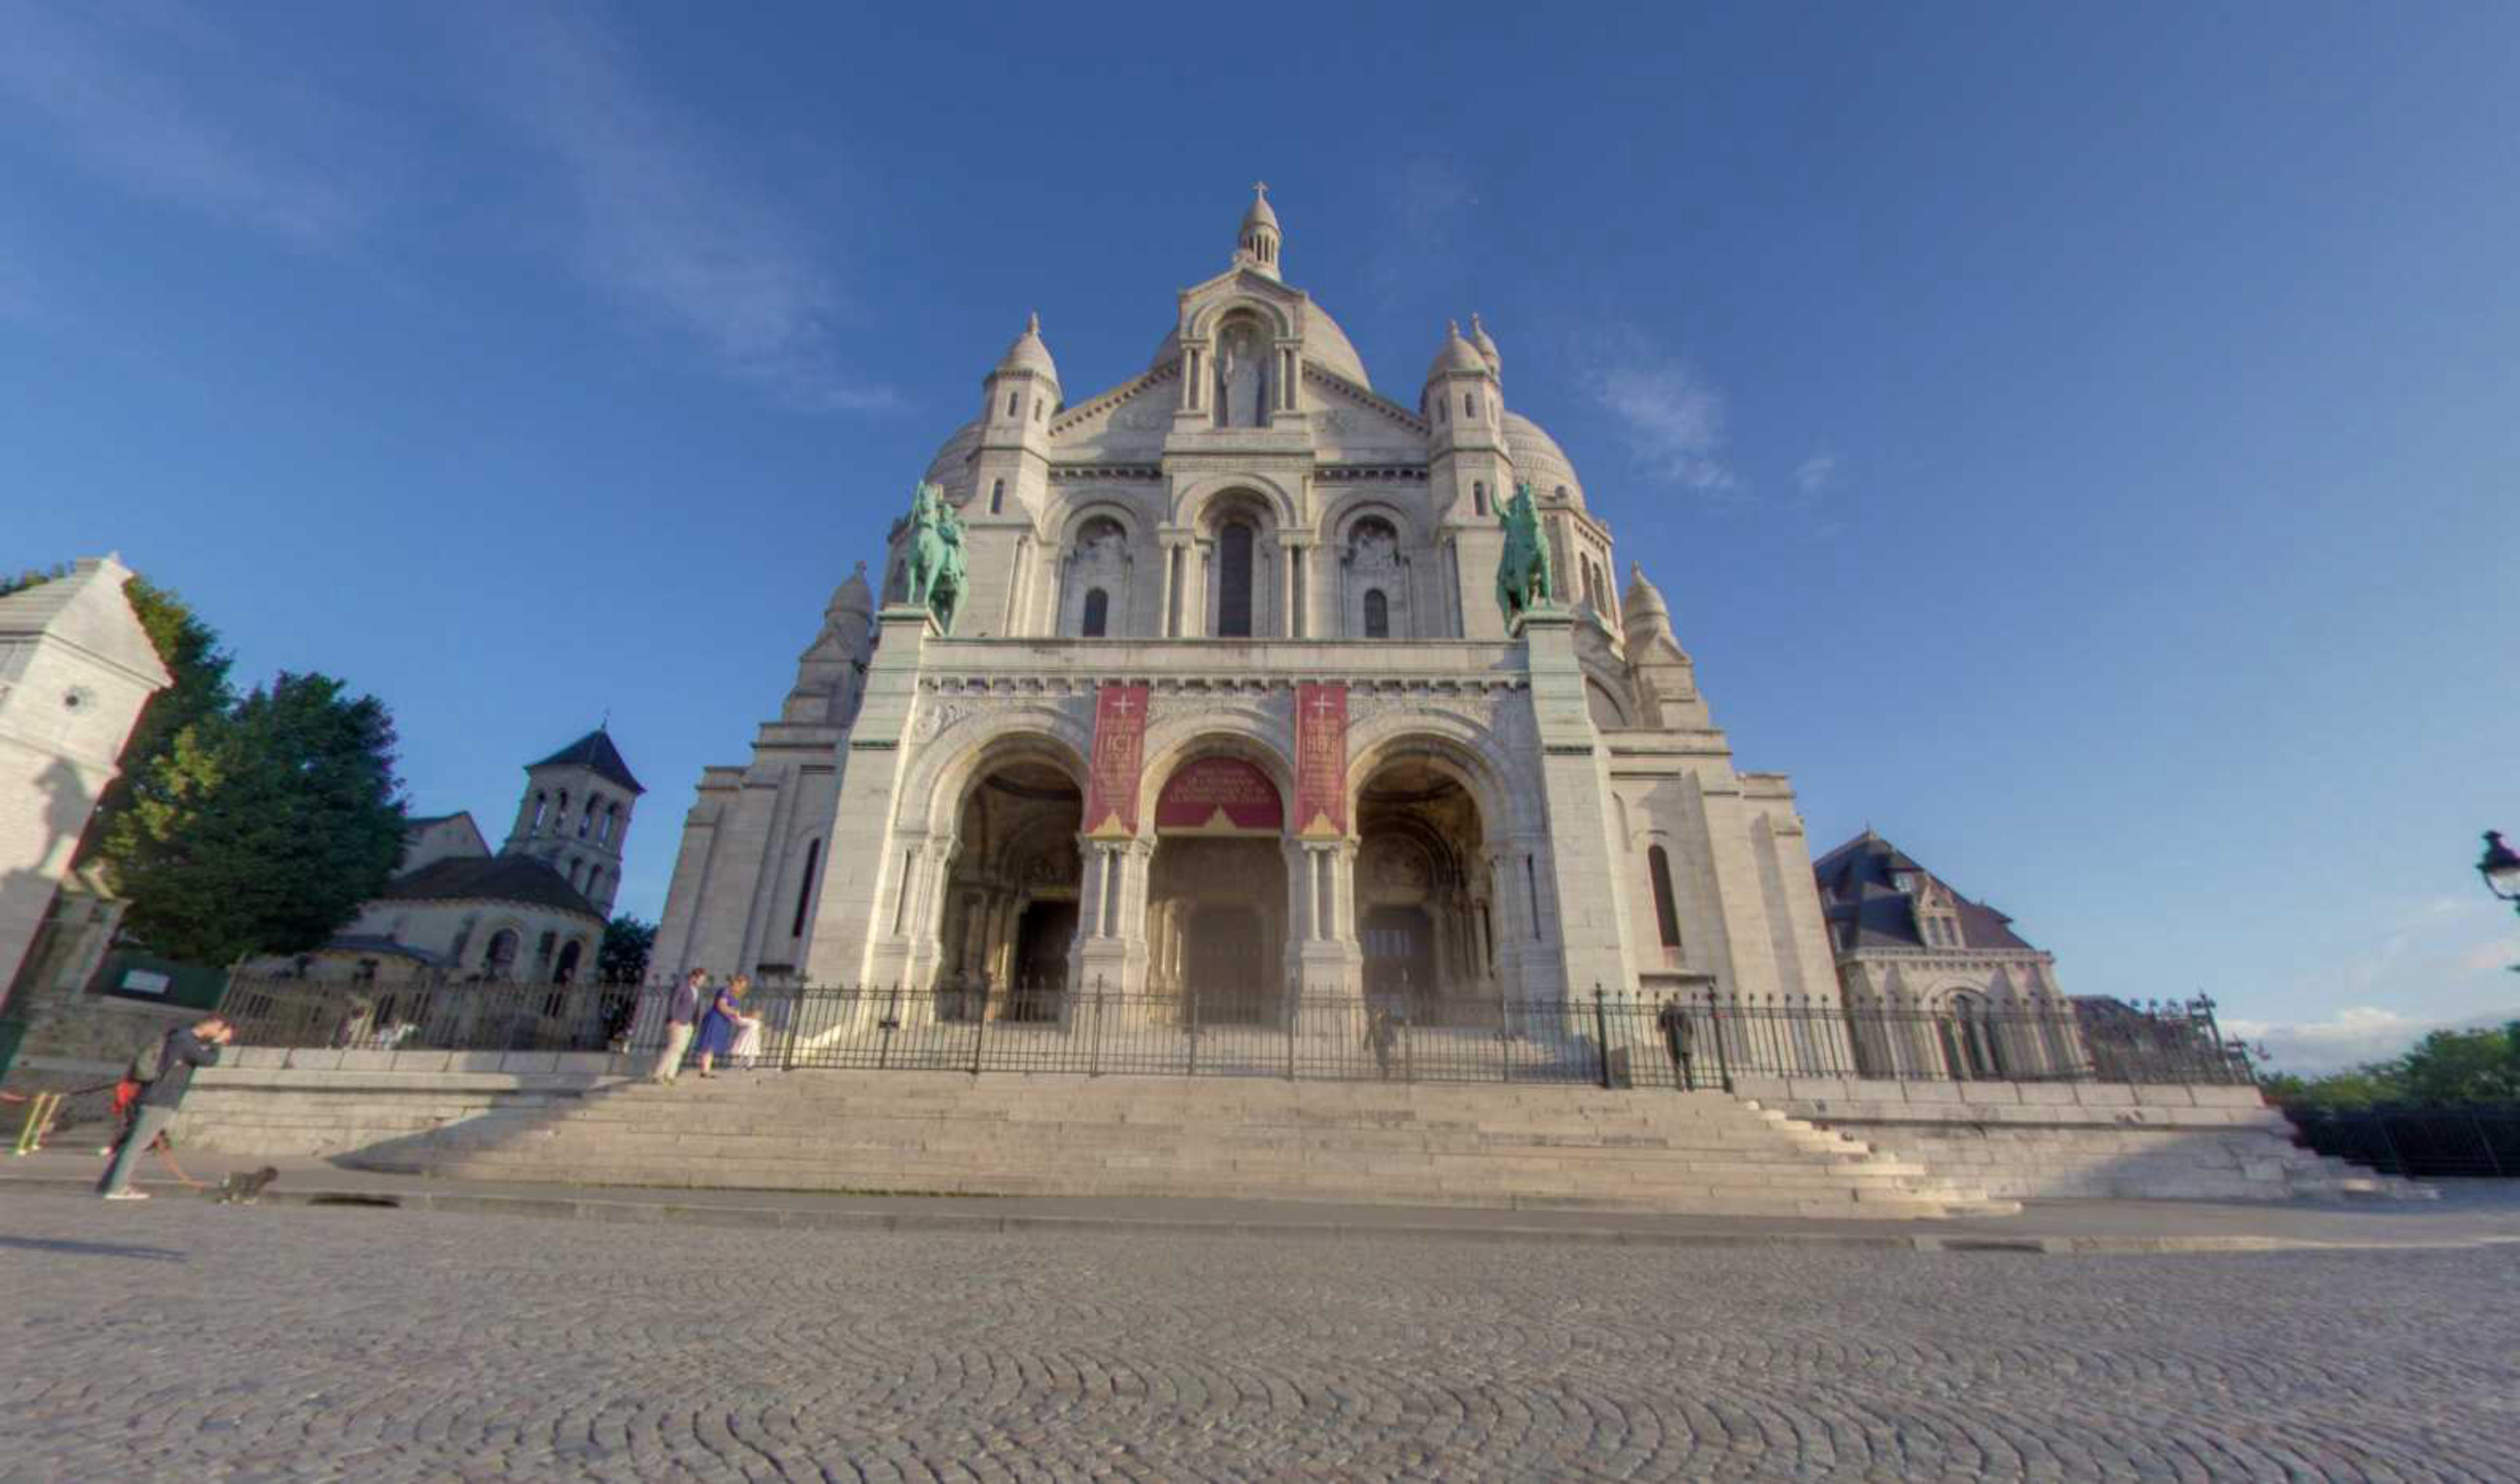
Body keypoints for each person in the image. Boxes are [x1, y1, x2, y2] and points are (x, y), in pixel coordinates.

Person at [97, 1015, 234, 1201]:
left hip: (151, 1095)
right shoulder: (185, 1040)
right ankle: (117, 1188)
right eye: (220, 1031)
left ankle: (107, 1184)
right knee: (137, 1146)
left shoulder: (178, 1036)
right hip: (160, 1098)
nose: (221, 1036)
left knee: (132, 1144)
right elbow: (208, 1060)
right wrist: (217, 1044)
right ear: (213, 1025)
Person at [692, 975, 749, 1079]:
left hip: (724, 1021)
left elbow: (732, 1011)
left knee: (713, 1045)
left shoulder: (735, 995)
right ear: (736, 983)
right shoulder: (725, 991)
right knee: (709, 1044)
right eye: (741, 985)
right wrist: (734, 1013)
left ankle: (706, 1069)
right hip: (716, 1019)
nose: (742, 989)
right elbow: (721, 1006)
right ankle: (705, 1070)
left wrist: (736, 1018)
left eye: (744, 987)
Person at [654, 970, 705, 1084]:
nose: (702, 982)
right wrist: (673, 1018)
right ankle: (659, 1074)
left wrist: (695, 1023)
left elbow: (696, 1008)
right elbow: (673, 1003)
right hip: (678, 1021)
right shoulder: (682, 986)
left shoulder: (696, 991)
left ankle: (670, 1075)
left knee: (680, 1050)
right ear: (694, 977)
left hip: (689, 1024)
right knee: (673, 1048)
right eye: (701, 979)